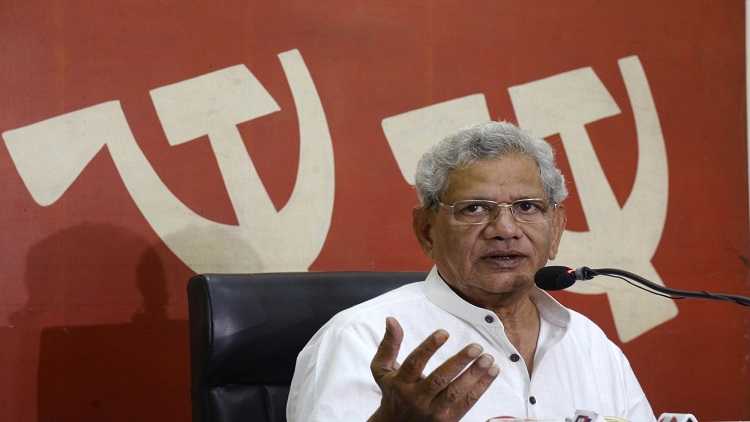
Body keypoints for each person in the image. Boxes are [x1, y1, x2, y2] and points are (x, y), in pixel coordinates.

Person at [287, 121, 655, 421]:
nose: (505, 229)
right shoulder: (356, 340)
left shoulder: (590, 346)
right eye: (475, 209)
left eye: (527, 207)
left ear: (556, 227)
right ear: (427, 230)